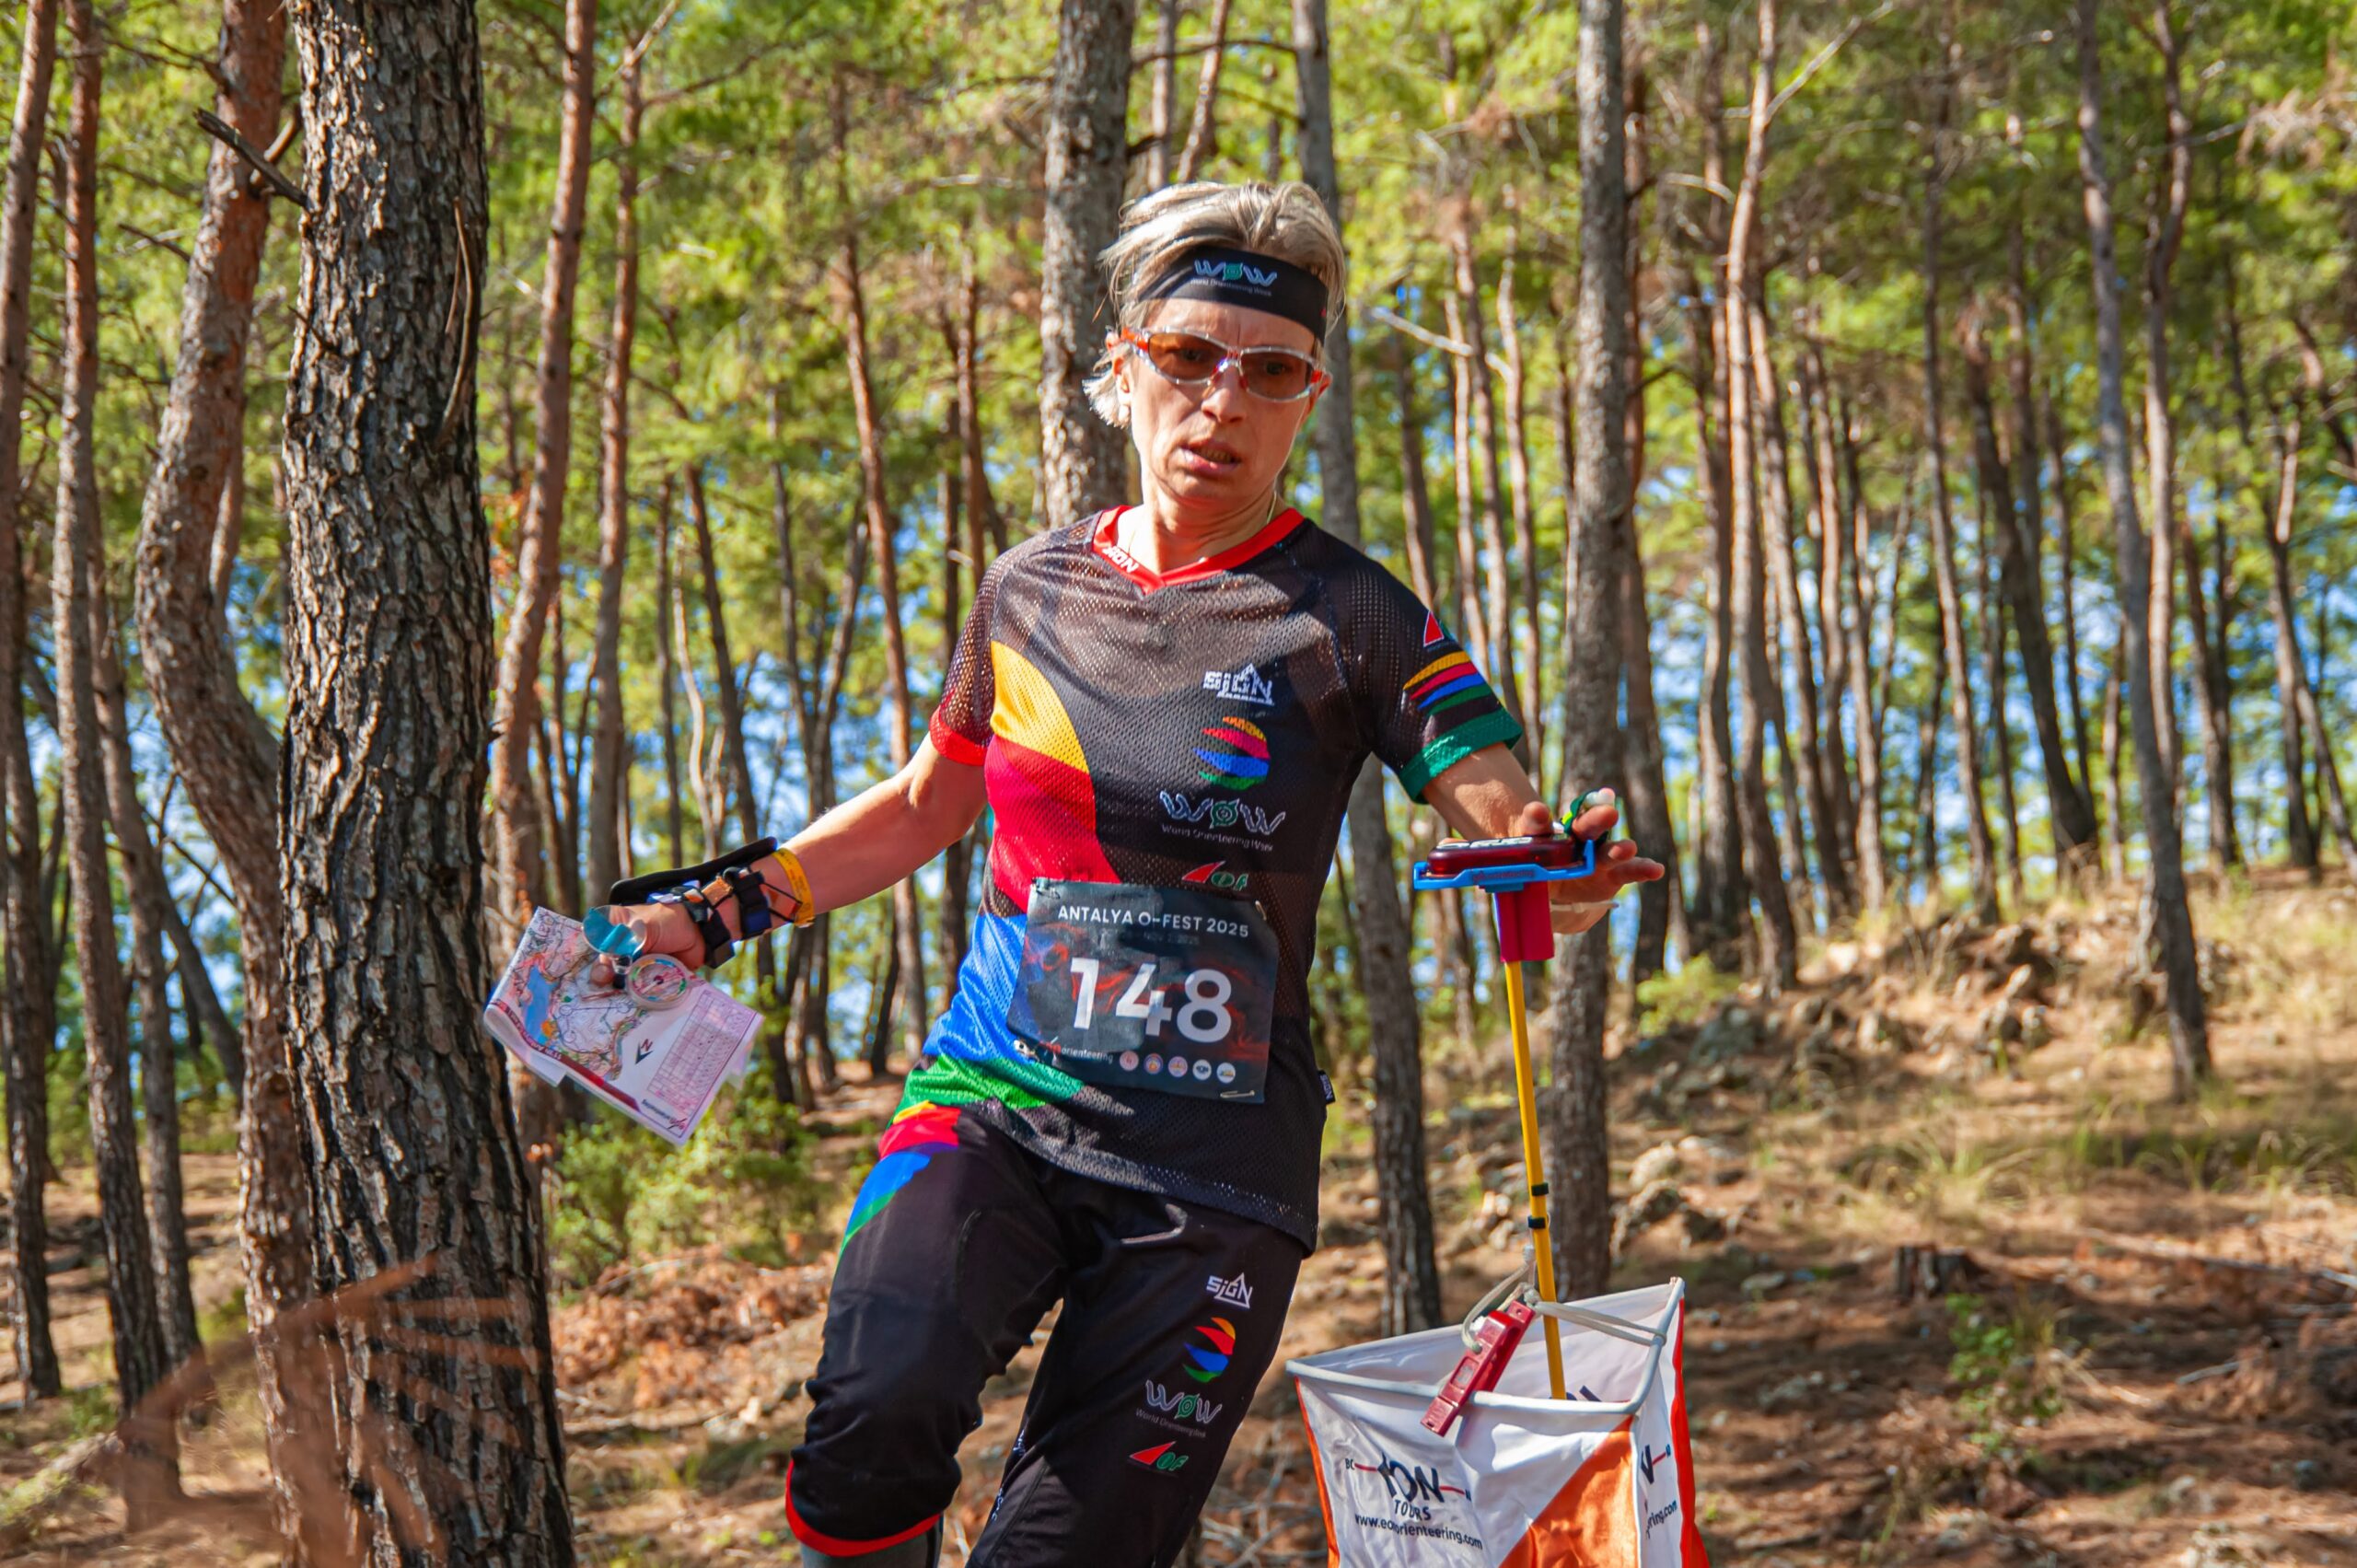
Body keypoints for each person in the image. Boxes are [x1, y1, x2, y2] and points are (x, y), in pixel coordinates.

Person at [592, 180, 1663, 1567]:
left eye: (1270, 371)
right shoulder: (1029, 589)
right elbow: (921, 809)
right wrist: (716, 910)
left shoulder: (1355, 617)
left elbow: (1507, 818)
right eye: (1189, 356)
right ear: (1122, 367)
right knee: (871, 1419)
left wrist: (1560, 870)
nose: (1223, 400)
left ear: (1309, 397)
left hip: (1216, 1172)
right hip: (994, 1104)